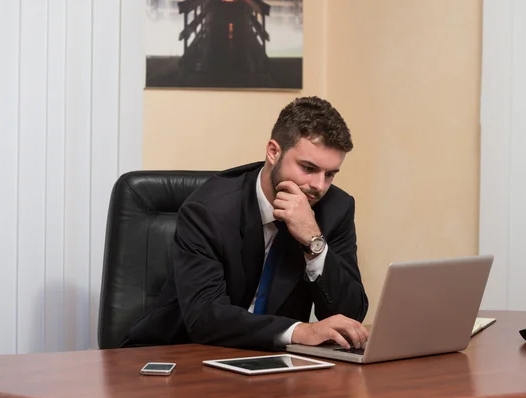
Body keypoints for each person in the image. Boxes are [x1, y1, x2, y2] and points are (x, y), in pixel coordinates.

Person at [121, 96, 369, 351]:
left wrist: (313, 240)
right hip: (182, 353)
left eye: (329, 174)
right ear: (273, 152)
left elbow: (350, 315)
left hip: (274, 363)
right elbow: (204, 318)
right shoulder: (207, 211)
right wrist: (299, 331)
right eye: (308, 168)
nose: (318, 186)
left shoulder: (335, 209)